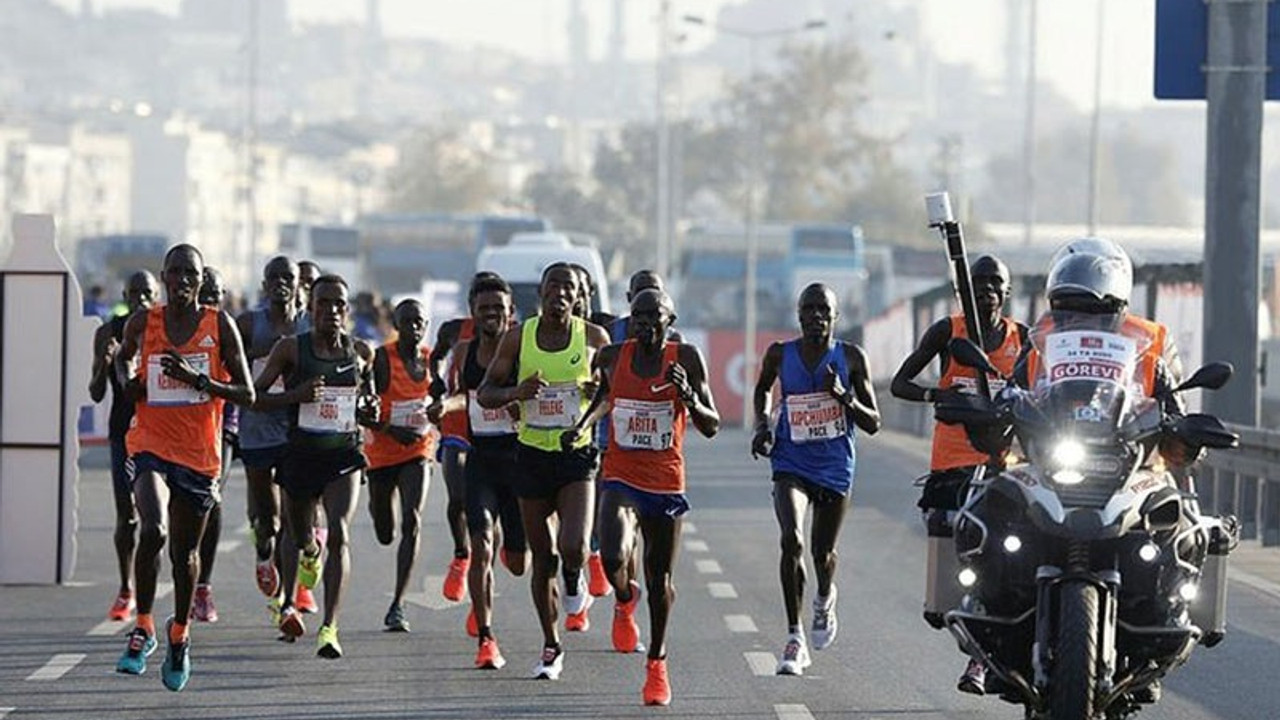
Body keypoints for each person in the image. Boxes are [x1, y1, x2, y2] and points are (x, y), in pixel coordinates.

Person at [564, 288, 719, 705]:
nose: (646, 323)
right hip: (620, 474)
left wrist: (687, 397)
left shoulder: (685, 359)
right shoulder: (614, 355)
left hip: (665, 481)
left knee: (660, 579)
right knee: (613, 556)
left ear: (671, 322)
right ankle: (623, 597)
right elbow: (604, 399)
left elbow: (712, 423)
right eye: (639, 316)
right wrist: (581, 427)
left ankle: (656, 663)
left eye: (655, 316)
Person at [113, 244, 255, 691]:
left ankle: (179, 633)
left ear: (199, 280)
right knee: (152, 529)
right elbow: (124, 362)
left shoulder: (219, 324)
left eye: (189, 273)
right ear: (165, 277)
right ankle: (143, 626)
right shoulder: (144, 321)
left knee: (184, 556)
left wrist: (199, 381)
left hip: (198, 453)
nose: (181, 280)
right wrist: (128, 382)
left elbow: (247, 393)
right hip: (150, 443)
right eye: (173, 273)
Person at [889, 254, 1027, 694]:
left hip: (999, 462)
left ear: (1007, 293)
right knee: (950, 538)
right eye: (978, 281)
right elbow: (899, 383)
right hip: (951, 459)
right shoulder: (948, 332)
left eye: (995, 283)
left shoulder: (1023, 340)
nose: (986, 289)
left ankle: (980, 662)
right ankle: (947, 604)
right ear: (963, 290)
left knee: (1000, 552)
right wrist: (939, 393)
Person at [477, 262, 611, 680]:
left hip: (576, 455)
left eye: (567, 287)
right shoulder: (520, 337)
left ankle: (576, 580)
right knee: (542, 558)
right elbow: (485, 393)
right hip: (531, 454)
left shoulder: (593, 338)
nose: (559, 292)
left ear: (577, 296)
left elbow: (609, 396)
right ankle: (551, 646)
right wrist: (517, 391)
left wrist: (588, 415)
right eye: (553, 285)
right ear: (541, 291)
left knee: (573, 546)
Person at [750, 283, 881, 677]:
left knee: (822, 555)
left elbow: (873, 422)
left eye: (823, 310)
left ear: (835, 316)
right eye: (808, 309)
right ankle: (794, 637)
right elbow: (761, 392)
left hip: (835, 466)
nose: (815, 317)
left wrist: (844, 397)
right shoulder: (780, 354)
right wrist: (762, 426)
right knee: (792, 539)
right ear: (798, 314)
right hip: (791, 461)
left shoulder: (852, 357)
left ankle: (824, 598)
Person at [254, 274, 376, 659]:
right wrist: (296, 395)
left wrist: (369, 409)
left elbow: (368, 401)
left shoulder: (360, 352)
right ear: (311, 307)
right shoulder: (290, 349)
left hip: (343, 455)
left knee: (339, 532)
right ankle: (291, 595)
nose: (332, 311)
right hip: (301, 454)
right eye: (324, 303)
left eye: (339, 304)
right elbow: (255, 398)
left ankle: (329, 627)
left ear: (347, 310)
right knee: (297, 532)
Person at [429, 275, 529, 669]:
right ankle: (486, 637)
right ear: (473, 312)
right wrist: (445, 407)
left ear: (510, 314)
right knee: (481, 545)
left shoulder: (524, 350)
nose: (491, 315)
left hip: (520, 462)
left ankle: (510, 547)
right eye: (484, 308)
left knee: (519, 564)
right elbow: (466, 399)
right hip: (482, 461)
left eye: (498, 309)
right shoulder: (466, 350)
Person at [236, 256, 317, 621]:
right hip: (256, 428)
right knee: (267, 519)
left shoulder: (309, 323)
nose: (281, 283)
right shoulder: (249, 323)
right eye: (274, 278)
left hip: (296, 430)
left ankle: (286, 602)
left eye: (289, 277)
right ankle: (263, 548)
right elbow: (228, 363)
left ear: (300, 284)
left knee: (291, 515)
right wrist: (269, 357)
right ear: (265, 285)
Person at [429, 271, 504, 603]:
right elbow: (436, 357)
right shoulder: (453, 332)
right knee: (458, 496)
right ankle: (462, 556)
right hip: (458, 417)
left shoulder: (511, 335)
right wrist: (437, 384)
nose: (486, 310)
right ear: (471, 304)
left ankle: (482, 565)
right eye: (479, 301)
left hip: (497, 428)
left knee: (492, 512)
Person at [362, 299, 436, 633]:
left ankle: (397, 605)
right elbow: (362, 411)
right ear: (396, 324)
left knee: (413, 520)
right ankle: (379, 510)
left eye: (419, 322)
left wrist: (440, 411)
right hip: (382, 453)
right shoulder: (382, 359)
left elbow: (444, 395)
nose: (414, 328)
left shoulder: (432, 359)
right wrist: (392, 429)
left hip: (418, 451)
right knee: (384, 530)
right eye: (407, 322)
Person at [90, 270, 159, 622]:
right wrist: (104, 364)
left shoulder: (167, 329)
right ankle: (125, 588)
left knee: (159, 519)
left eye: (147, 293)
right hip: (123, 432)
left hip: (163, 433)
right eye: (134, 293)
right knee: (126, 515)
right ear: (125, 295)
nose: (140, 299)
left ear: (156, 294)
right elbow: (96, 393)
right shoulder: (109, 331)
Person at [190, 266, 234, 623]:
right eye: (202, 295)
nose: (206, 302)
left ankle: (202, 585)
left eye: (213, 296)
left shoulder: (228, 328)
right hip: (171, 430)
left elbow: (249, 384)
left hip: (221, 428)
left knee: (211, 497)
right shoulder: (172, 325)